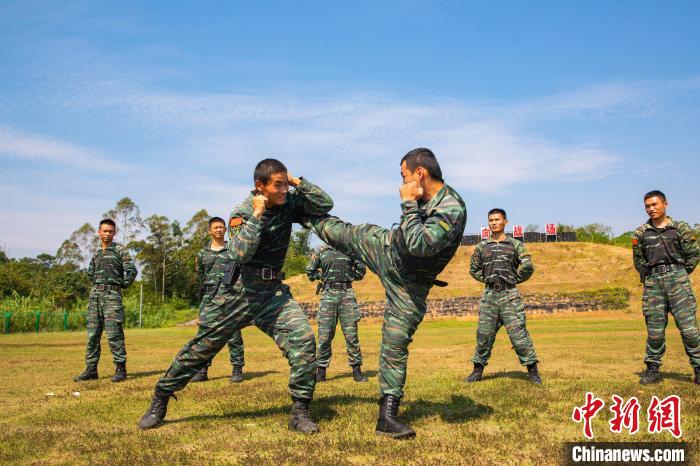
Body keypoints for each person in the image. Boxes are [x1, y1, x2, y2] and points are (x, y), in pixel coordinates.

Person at [138, 159, 333, 433]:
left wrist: (297, 180)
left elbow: (325, 204)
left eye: (285, 184)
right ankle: (161, 396)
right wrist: (257, 215)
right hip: (240, 292)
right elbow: (240, 254)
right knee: (201, 348)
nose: (284, 190)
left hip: (273, 293)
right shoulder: (242, 212)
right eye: (278, 185)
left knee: (303, 340)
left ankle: (299, 411)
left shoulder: (289, 202)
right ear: (260, 186)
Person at [301, 148, 467, 439]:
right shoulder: (425, 200)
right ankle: (297, 212)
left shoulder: (452, 208)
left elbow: (419, 244)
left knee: (395, 342)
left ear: (419, 174)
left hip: (410, 284)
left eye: (403, 175)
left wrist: (407, 203)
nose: (401, 183)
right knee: (346, 233)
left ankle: (387, 416)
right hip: (388, 249)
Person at [464, 208, 540, 384]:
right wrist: (489, 280)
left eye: (497, 219)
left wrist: (514, 279)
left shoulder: (515, 245)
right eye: (490, 220)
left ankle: (533, 370)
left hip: (509, 295)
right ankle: (477, 371)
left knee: (518, 335)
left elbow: (528, 266)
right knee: (484, 335)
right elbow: (473, 269)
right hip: (489, 296)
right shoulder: (482, 247)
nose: (493, 222)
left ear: (505, 222)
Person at [632, 190, 700, 385]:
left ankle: (698, 368)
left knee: (689, 330)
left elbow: (693, 255)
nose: (651, 208)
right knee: (654, 330)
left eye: (654, 204)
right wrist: (653, 276)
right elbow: (639, 261)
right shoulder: (640, 233)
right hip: (653, 283)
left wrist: (678, 273)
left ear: (665, 204)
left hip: (678, 280)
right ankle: (652, 369)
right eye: (647, 206)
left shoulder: (680, 228)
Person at [74, 219, 137, 383]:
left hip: (112, 296)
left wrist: (121, 285)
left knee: (114, 334)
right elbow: (90, 274)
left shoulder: (120, 251)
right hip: (95, 296)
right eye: (105, 231)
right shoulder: (96, 254)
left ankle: (121, 370)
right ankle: (91, 370)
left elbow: (131, 270)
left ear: (114, 233)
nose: (107, 234)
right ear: (99, 232)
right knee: (92, 335)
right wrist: (97, 287)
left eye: (110, 231)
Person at [190, 217, 246, 383]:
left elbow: (241, 272)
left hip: (229, 295)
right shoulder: (202, 253)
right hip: (209, 296)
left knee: (233, 333)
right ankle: (202, 370)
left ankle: (237, 369)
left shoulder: (232, 250)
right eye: (215, 227)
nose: (219, 230)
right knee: (205, 334)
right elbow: (200, 274)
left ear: (225, 230)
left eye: (222, 227)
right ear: (210, 231)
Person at [306, 245, 368, 382]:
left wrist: (349, 276)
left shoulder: (350, 249)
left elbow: (361, 270)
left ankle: (357, 371)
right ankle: (321, 372)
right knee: (325, 335)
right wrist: (323, 276)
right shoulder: (321, 251)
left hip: (347, 294)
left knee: (351, 335)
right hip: (328, 296)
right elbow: (310, 271)